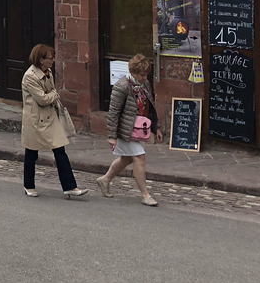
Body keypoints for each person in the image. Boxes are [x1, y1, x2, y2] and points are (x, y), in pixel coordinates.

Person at [20, 44, 88, 199]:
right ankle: (28, 185)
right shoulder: (30, 76)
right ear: (41, 60)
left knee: (60, 150)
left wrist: (52, 94)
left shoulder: (47, 72)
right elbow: (43, 99)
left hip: (50, 118)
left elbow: (49, 93)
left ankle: (70, 186)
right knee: (31, 153)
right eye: (50, 58)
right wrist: (54, 95)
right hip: (35, 120)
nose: (53, 60)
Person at [96, 53, 162, 206]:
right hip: (126, 130)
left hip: (140, 128)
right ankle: (145, 195)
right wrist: (112, 136)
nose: (145, 78)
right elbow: (113, 113)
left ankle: (104, 180)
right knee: (140, 158)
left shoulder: (144, 85)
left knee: (126, 158)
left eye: (146, 75)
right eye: (142, 75)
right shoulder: (122, 86)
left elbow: (150, 107)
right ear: (133, 72)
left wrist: (156, 127)